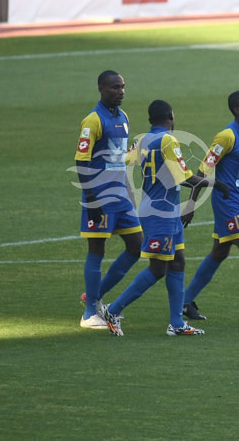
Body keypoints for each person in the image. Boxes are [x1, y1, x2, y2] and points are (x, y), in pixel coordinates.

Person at [100, 101, 231, 337]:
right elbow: (184, 177)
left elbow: (124, 161)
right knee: (158, 268)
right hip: (161, 213)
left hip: (161, 209)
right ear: (171, 116)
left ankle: (176, 323)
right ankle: (114, 309)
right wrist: (216, 183)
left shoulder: (142, 140)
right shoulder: (168, 140)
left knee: (178, 261)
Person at [181, 91, 239, 323]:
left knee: (220, 252)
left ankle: (185, 300)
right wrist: (191, 203)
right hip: (227, 203)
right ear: (238, 110)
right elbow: (203, 171)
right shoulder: (226, 137)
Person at [75, 70, 143, 329]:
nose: (121, 91)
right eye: (115, 87)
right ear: (102, 89)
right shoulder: (92, 120)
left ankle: (93, 295)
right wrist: (91, 199)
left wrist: (131, 195)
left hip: (120, 196)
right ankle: (89, 313)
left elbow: (121, 162)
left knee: (136, 245)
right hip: (99, 196)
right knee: (97, 250)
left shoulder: (123, 118)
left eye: (123, 87)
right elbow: (80, 161)